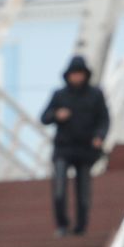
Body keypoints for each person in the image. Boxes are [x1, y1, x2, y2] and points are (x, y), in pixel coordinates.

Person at [41, 55, 111, 237]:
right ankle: (62, 225)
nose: (77, 78)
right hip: (63, 148)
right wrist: (57, 115)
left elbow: (104, 119)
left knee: (83, 193)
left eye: (79, 74)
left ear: (85, 75)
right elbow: (44, 117)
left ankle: (80, 227)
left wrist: (99, 136)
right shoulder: (59, 95)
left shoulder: (96, 94)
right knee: (59, 189)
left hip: (86, 149)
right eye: (73, 74)